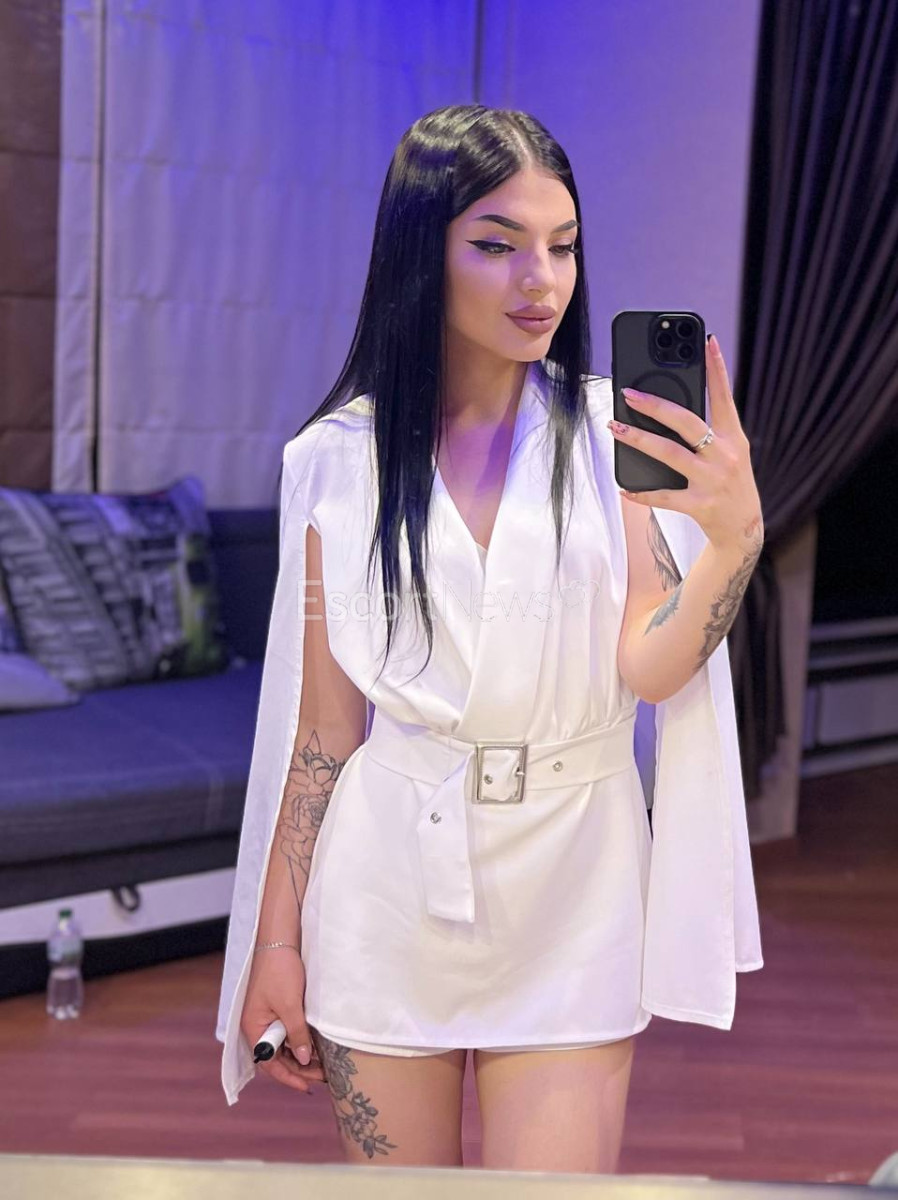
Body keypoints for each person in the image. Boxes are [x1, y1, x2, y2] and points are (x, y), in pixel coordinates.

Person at [216, 104, 765, 1173]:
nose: (540, 281)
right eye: (499, 245)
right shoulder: (337, 461)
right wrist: (275, 940)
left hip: (575, 880)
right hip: (384, 885)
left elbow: (651, 667)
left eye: (562, 246)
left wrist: (733, 537)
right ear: (421, 252)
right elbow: (323, 731)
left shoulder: (611, 437)